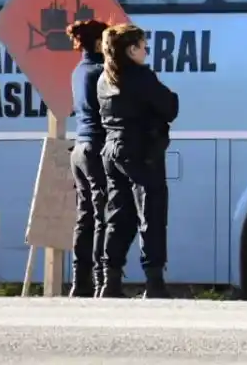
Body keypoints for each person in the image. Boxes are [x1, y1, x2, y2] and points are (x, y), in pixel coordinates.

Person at [97, 23, 180, 299]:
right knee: (152, 215)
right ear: (131, 49)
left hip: (112, 151)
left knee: (118, 216)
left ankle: (110, 281)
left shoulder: (104, 79)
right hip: (141, 153)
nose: (146, 51)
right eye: (144, 46)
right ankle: (154, 283)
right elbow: (170, 106)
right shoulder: (141, 77)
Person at [66, 18, 110, 298]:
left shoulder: (79, 71)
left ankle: (78, 282)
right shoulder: (100, 72)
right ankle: (99, 282)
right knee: (103, 217)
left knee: (85, 217)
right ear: (98, 43)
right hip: (96, 149)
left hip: (79, 149)